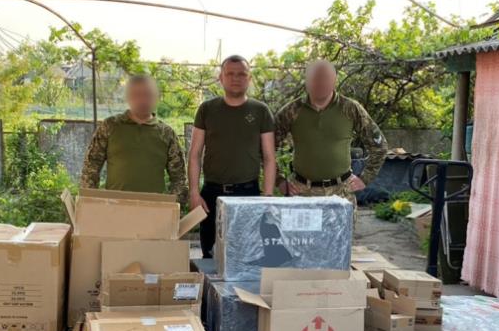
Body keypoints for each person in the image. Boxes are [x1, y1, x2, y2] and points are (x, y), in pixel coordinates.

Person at [188, 55, 276, 258]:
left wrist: (268, 197)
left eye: (241, 74)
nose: (236, 78)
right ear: (221, 78)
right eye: (230, 74)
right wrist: (194, 193)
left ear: (249, 78)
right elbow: (195, 154)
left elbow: (269, 157)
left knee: (247, 255)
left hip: (248, 194)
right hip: (212, 194)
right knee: (210, 256)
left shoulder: (261, 111)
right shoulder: (207, 109)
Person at [274, 59, 388, 202]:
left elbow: (379, 146)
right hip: (301, 192)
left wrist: (365, 178)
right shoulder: (291, 111)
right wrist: (279, 181)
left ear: (335, 80)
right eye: (315, 78)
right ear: (306, 81)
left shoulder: (350, 108)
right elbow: (266, 148)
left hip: (341, 192)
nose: (321, 82)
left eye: (326, 78)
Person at [80, 73, 186, 201]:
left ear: (156, 97)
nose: (142, 100)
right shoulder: (110, 127)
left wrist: (172, 206)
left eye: (147, 94)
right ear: (128, 97)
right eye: (137, 95)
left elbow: (179, 178)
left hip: (153, 207)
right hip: (115, 206)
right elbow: (91, 168)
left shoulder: (166, 134)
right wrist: (90, 202)